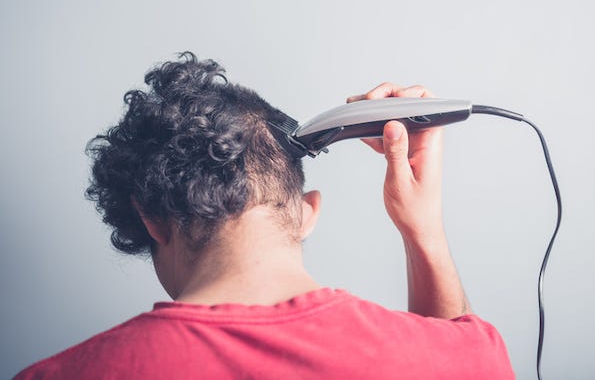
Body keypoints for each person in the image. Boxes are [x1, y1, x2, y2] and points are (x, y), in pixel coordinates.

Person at [15, 52, 514, 379]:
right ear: (307, 212)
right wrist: (422, 230)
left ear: (151, 220)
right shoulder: (468, 358)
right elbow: (454, 354)